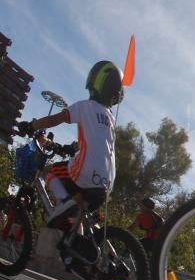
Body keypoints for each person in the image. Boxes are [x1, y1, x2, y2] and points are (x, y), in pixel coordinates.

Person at [16, 61, 123, 228]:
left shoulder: (85, 106)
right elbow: (96, 143)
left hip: (86, 172)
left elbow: (55, 119)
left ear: (94, 84)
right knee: (76, 218)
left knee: (48, 171)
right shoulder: (111, 119)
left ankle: (66, 204)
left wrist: (32, 125)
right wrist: (71, 148)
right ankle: (74, 231)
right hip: (107, 181)